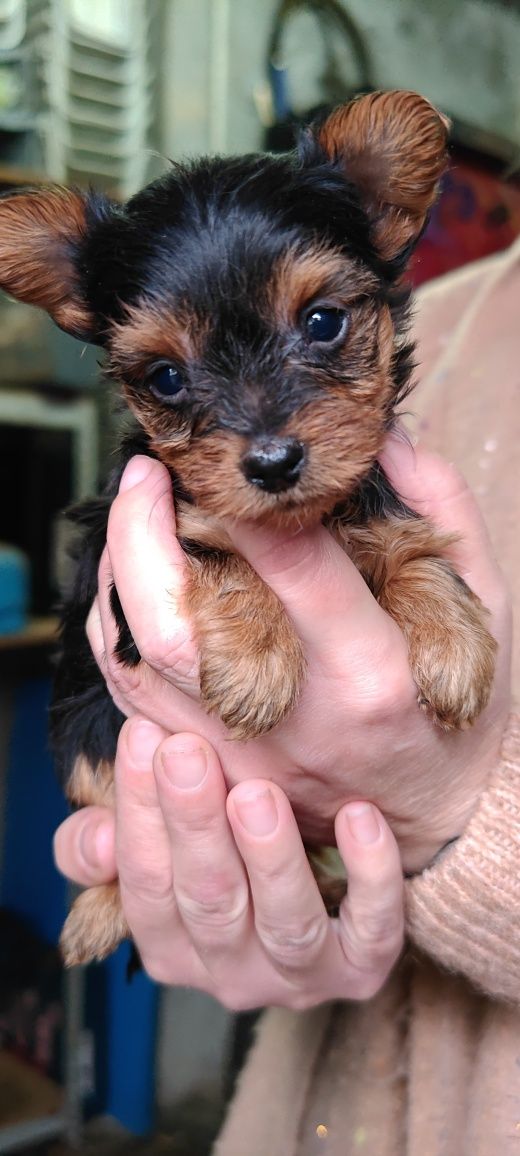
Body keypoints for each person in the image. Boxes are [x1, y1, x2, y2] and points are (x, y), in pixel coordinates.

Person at [54, 238, 520, 1154]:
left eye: (319, 327)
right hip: (307, 1105)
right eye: (169, 379)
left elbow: (399, 551)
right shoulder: (458, 304)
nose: (266, 431)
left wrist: (448, 811)